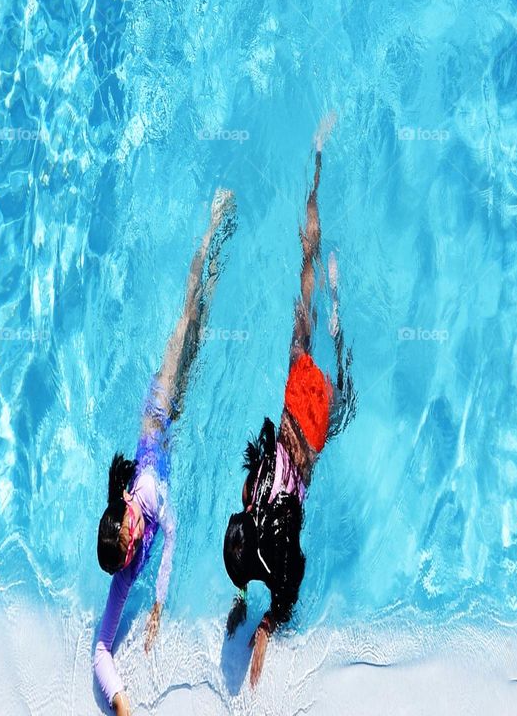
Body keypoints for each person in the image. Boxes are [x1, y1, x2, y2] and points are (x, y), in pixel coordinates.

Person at [94, 188, 237, 715]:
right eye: (129, 552)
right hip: (169, 424)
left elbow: (171, 529)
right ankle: (219, 247)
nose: (133, 549)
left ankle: (212, 221)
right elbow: (101, 654)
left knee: (187, 311)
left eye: (129, 539)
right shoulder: (123, 567)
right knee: (204, 318)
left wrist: (157, 603)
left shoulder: (146, 496)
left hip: (160, 402)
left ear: (125, 524)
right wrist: (122, 704)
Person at [223, 117, 354, 687]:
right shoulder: (253, 502)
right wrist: (260, 620)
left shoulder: (273, 552)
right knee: (304, 290)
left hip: (315, 430)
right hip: (295, 404)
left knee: (343, 386)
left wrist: (265, 624)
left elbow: (289, 589)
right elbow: (283, 580)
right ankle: (317, 165)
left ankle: (338, 303)